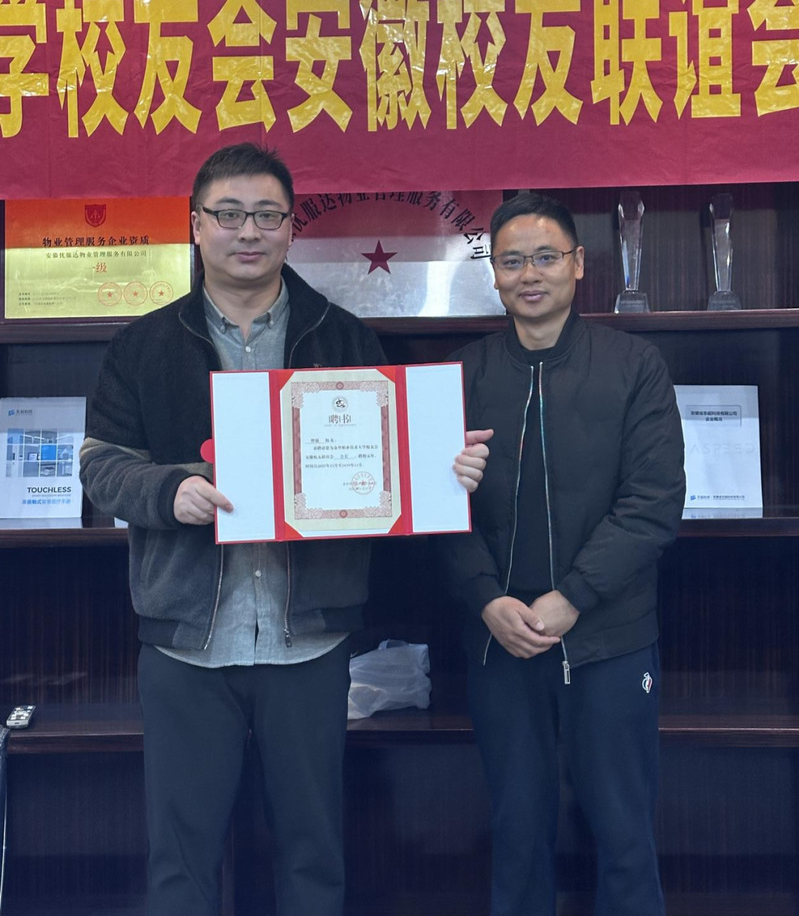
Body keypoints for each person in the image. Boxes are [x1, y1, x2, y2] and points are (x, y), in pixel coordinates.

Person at [80, 142, 489, 916]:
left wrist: (442, 471)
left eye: (267, 215)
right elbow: (100, 466)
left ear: (290, 227)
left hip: (309, 642)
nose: (249, 232)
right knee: (180, 861)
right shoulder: (142, 344)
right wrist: (171, 491)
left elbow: (386, 467)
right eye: (229, 214)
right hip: (186, 644)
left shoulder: (342, 337)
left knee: (313, 853)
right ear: (195, 225)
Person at [441, 192, 685, 916]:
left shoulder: (633, 365)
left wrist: (573, 595)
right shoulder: (461, 375)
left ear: (578, 264)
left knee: (624, 833)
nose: (529, 274)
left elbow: (652, 504)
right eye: (512, 261)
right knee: (517, 833)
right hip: (501, 641)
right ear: (494, 274)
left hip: (609, 638)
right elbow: (436, 512)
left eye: (545, 257)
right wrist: (486, 599)